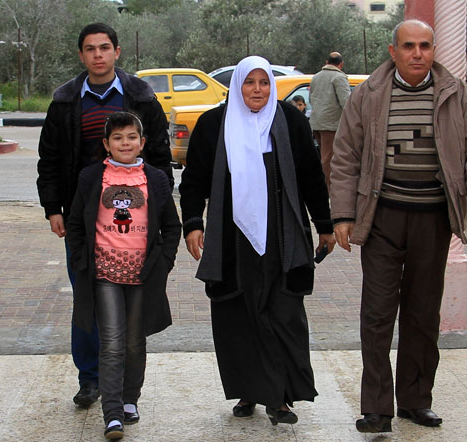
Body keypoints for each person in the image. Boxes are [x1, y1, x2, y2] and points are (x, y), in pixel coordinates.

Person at [330, 19, 467, 433]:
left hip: (433, 218)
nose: (417, 53)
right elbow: (346, 155)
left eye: (424, 45)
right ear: (394, 51)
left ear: (433, 49)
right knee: (377, 314)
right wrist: (343, 214)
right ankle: (376, 408)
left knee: (422, 314)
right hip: (382, 216)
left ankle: (416, 401)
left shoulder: (456, 94)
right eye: (408, 46)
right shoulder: (368, 94)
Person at [178, 56, 335, 426]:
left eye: (264, 83)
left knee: (282, 311)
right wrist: (192, 224)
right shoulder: (214, 124)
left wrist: (324, 225)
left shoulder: (290, 121)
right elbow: (194, 180)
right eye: (250, 82)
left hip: (281, 233)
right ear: (237, 85)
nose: (257, 90)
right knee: (239, 311)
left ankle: (279, 398)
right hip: (232, 238)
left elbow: (312, 177)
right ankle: (249, 389)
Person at [36, 22, 173, 410]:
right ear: (81, 55)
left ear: (117, 52)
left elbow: (160, 158)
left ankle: (125, 386)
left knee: (129, 304)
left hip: (133, 222)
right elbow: (49, 160)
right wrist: (53, 208)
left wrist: (160, 213)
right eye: (90, 49)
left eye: (104, 48)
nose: (98, 55)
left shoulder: (141, 98)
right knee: (86, 298)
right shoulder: (65, 101)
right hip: (83, 219)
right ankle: (90, 377)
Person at [66, 111, 180, 440]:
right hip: (104, 274)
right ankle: (113, 414)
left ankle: (130, 400)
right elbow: (76, 224)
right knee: (112, 344)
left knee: (133, 342)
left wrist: (163, 263)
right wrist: (82, 261)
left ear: (142, 143)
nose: (125, 143)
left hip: (143, 275)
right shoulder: (92, 177)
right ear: (106, 144)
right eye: (117, 138)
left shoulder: (155, 179)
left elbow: (171, 226)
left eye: (131, 137)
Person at [309, 51, 350, 188]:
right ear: (341, 64)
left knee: (323, 156)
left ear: (327, 62)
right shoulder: (339, 78)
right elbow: (346, 102)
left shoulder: (316, 77)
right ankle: (327, 188)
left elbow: (311, 99)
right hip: (331, 125)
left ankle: (322, 185)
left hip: (316, 122)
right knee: (328, 159)